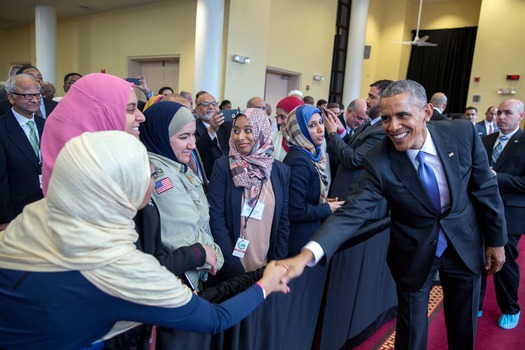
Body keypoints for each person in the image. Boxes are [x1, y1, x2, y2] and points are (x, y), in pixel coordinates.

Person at [0, 130, 290, 350]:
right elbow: (215, 319)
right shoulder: (120, 266)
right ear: (121, 188)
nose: (155, 180)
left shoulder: (31, 218)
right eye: (148, 173)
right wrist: (266, 284)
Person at [280, 80, 507, 349]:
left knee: (462, 327)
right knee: (410, 333)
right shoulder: (379, 159)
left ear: (426, 113)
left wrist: (496, 240)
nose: (393, 127)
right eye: (386, 118)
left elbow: (484, 188)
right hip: (414, 252)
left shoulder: (462, 134)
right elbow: (352, 213)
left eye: (402, 116)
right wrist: (306, 256)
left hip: (465, 245)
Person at [140, 101, 224, 291]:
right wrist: (218, 255)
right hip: (185, 281)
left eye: (193, 135)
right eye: (184, 137)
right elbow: (185, 236)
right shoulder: (161, 176)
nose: (193, 144)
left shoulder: (175, 164)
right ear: (160, 136)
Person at [208, 108, 290, 279]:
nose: (240, 137)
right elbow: (216, 218)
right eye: (236, 130)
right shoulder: (223, 167)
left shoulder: (280, 171)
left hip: (267, 267)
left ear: (262, 131)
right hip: (232, 268)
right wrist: (232, 265)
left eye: (248, 130)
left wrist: (277, 261)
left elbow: (283, 221)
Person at [40, 73, 146, 195]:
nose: (142, 117)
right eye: (130, 109)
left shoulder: (116, 158)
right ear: (99, 115)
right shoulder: (85, 181)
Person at [479, 99, 525, 329]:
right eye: (499, 113)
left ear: (521, 116)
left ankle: (510, 308)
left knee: (504, 263)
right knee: (475, 259)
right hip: (479, 209)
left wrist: (498, 177)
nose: (501, 117)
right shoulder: (485, 140)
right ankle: (475, 303)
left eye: (507, 113)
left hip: (509, 213)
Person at [282, 105, 344, 256]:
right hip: (299, 239)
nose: (320, 129)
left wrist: (323, 201)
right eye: (311, 125)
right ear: (299, 130)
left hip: (308, 234)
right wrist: (327, 208)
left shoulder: (311, 154)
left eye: (320, 122)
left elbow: (305, 196)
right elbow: (295, 211)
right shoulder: (299, 161)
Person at [326, 80, 392, 202]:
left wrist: (332, 133)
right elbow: (352, 146)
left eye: (372, 97)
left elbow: (353, 159)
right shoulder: (368, 124)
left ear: (386, 100)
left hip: (352, 194)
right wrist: (341, 132)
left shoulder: (381, 130)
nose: (366, 100)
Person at [0, 74, 46, 229]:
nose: (35, 100)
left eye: (38, 94)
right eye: (28, 95)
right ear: (11, 98)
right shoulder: (2, 129)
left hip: (47, 207)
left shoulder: (45, 124)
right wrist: (4, 218)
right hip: (17, 212)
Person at [194, 92, 232, 178]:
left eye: (214, 104)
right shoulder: (194, 128)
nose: (211, 107)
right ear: (197, 109)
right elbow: (197, 152)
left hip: (230, 174)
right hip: (210, 176)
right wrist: (211, 130)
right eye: (205, 104)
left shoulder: (225, 125)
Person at [271, 95, 304, 161]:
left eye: (282, 117)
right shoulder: (272, 139)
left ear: (295, 118)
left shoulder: (312, 141)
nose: (278, 122)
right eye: (277, 116)